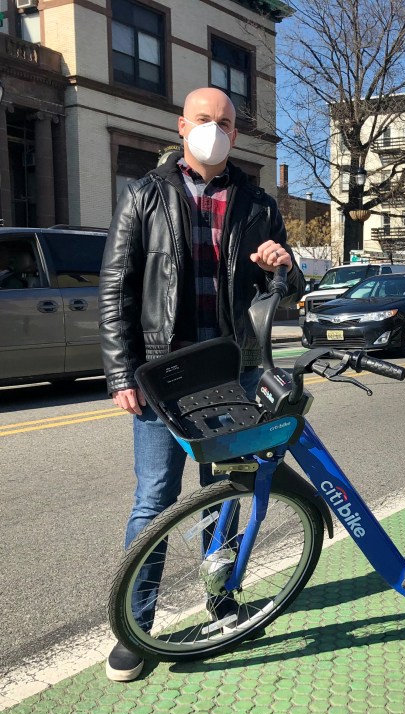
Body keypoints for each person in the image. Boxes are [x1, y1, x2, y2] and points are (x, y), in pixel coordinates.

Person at [99, 87, 304, 682]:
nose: (214, 130)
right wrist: (121, 373)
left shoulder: (257, 203)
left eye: (226, 123)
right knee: (154, 501)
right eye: (204, 120)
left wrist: (281, 267)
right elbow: (116, 289)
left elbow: (282, 295)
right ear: (182, 125)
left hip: (231, 368)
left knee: (229, 494)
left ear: (236, 134)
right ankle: (136, 626)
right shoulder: (143, 195)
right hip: (161, 372)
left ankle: (222, 598)